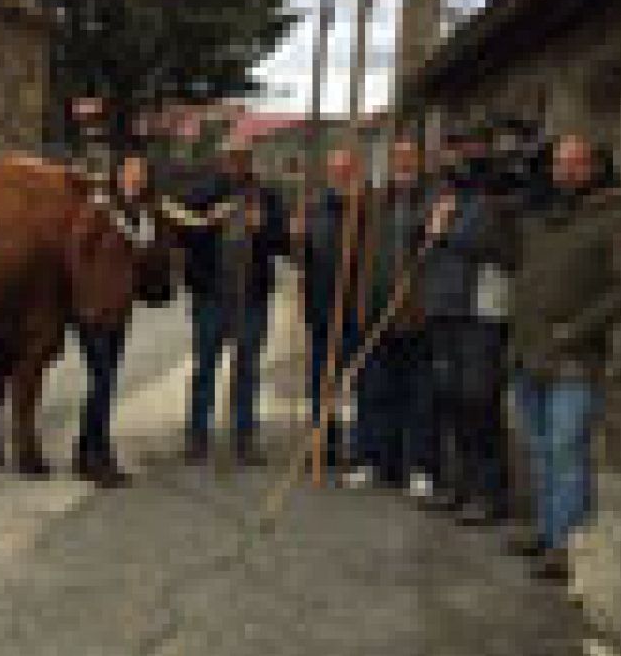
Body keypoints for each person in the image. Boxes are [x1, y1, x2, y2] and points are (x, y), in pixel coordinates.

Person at [505, 134, 621, 583]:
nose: (563, 171)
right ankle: (548, 532)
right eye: (559, 164)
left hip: (574, 359)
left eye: (574, 164)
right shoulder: (545, 214)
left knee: (567, 452)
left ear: (596, 166)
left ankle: (569, 546)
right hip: (530, 351)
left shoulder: (619, 216)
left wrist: (578, 329)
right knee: (542, 451)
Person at [417, 124, 514, 526]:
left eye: (463, 148)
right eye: (450, 149)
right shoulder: (444, 192)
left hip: (480, 311)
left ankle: (489, 493)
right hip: (445, 306)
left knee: (479, 399)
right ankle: (460, 484)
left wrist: (446, 229)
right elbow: (424, 239)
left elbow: (491, 243)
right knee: (451, 397)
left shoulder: (498, 191)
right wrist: (434, 228)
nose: (455, 156)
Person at [174, 137, 289, 466]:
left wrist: (263, 227)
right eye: (232, 158)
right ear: (222, 160)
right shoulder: (202, 193)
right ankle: (197, 439)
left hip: (250, 297)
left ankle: (244, 440)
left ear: (250, 161)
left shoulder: (266, 197)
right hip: (211, 296)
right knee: (205, 368)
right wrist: (210, 220)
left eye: (243, 158)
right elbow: (183, 232)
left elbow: (282, 243)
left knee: (247, 370)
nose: (237, 164)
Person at [349, 139, 435, 494]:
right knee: (374, 390)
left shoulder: (432, 200)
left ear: (419, 162)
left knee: (419, 394)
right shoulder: (375, 202)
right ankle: (372, 460)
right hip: (376, 309)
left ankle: (418, 466)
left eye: (409, 158)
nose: (403, 164)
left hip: (417, 313)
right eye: (397, 159)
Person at [74, 150, 162, 488]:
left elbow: (144, 257)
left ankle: (86, 453)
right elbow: (75, 254)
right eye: (131, 171)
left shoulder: (142, 216)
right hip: (94, 312)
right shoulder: (99, 210)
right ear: (118, 174)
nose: (137, 178)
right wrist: (84, 301)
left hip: (118, 313)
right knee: (102, 384)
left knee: (103, 384)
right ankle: (98, 458)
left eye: (142, 172)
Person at [290, 147, 368, 479]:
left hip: (356, 306)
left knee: (362, 381)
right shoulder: (315, 208)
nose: (340, 174)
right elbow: (302, 260)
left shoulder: (365, 208)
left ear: (355, 170)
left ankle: (363, 450)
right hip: (321, 307)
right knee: (322, 381)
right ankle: (324, 444)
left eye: (345, 169)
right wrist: (296, 237)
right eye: (335, 169)